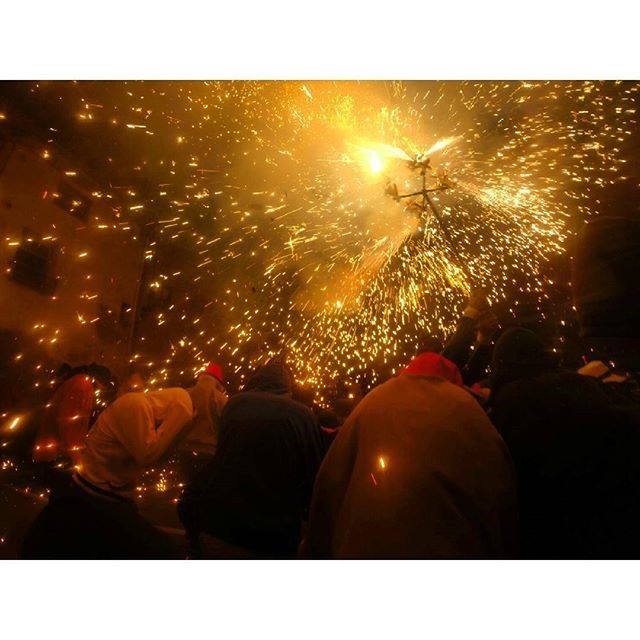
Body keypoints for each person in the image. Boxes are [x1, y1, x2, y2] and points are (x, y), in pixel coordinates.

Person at [300, 351, 518, 559]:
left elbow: (330, 480)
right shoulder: (468, 410)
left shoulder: (374, 400)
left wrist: (314, 550)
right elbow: (499, 488)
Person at [21, 375, 222, 559]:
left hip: (102, 494)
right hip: (95, 494)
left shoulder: (143, 407)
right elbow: (149, 455)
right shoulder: (141, 405)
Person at [178, 356, 326, 557]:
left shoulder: (235, 405)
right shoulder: (303, 416)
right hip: (272, 538)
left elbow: (223, 457)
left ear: (256, 379)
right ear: (288, 386)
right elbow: (316, 476)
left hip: (220, 527)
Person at [177, 362, 228, 482]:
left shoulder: (186, 393)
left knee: (188, 485)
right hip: (209, 452)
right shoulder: (221, 399)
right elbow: (225, 426)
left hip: (185, 450)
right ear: (218, 382)